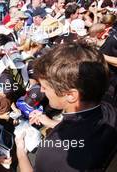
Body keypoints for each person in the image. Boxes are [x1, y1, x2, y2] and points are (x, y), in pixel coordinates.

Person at [15, 42, 117, 171]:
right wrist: (50, 122)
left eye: (45, 86)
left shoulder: (53, 154)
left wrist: (20, 151)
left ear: (71, 95)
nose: (41, 90)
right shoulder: (109, 107)